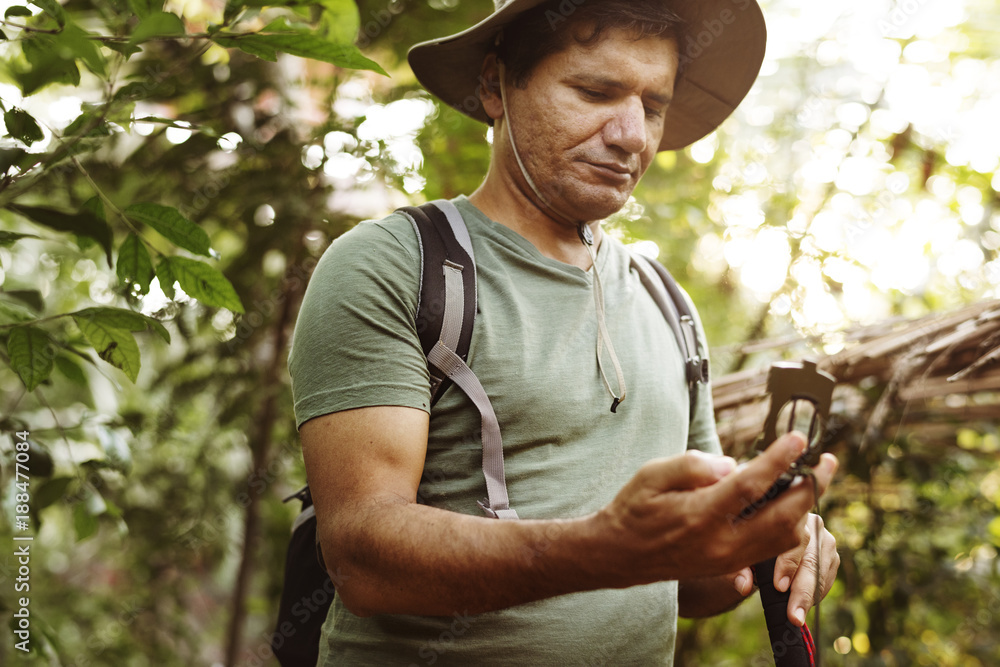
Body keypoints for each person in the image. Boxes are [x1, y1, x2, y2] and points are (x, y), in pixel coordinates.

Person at [287, 0, 840, 664]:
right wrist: (606, 547)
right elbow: (362, 559)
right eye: (596, 91)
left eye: (654, 105)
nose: (633, 134)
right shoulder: (397, 266)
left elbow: (692, 577)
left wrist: (764, 540)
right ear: (496, 86)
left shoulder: (667, 304)